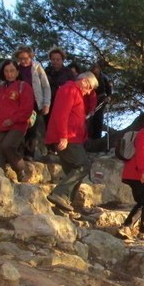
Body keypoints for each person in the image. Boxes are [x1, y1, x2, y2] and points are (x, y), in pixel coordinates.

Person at [44, 71, 98, 212]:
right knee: (83, 165)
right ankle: (60, 194)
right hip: (68, 138)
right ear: (84, 81)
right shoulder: (70, 89)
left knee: (73, 174)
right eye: (90, 87)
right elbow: (61, 114)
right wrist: (63, 136)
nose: (89, 91)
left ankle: (65, 206)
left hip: (71, 137)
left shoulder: (75, 92)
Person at [13, 46, 51, 160]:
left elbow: (46, 86)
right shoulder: (16, 69)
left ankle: (29, 154)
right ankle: (17, 153)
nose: (23, 61)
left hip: (35, 102)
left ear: (30, 57)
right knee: (19, 127)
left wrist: (46, 103)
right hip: (20, 102)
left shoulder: (37, 67)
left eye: (25, 58)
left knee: (32, 129)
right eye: (21, 58)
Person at [44, 47, 76, 111]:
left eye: (58, 59)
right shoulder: (46, 71)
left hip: (63, 104)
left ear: (62, 60)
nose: (55, 61)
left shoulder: (68, 72)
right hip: (49, 104)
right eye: (53, 59)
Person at [89, 62, 113, 140]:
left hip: (101, 99)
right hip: (91, 99)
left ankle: (97, 138)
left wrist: (108, 96)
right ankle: (89, 137)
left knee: (98, 118)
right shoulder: (89, 77)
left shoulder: (104, 78)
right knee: (90, 119)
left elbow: (109, 89)